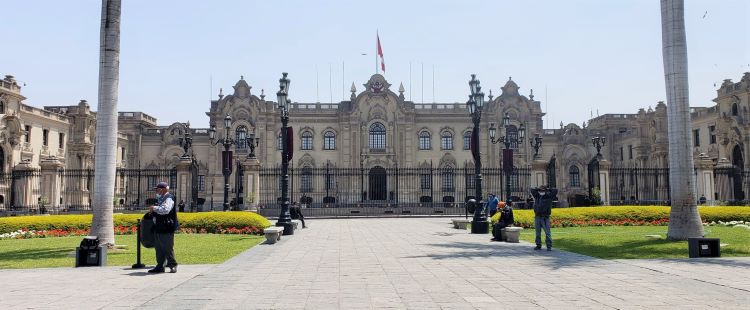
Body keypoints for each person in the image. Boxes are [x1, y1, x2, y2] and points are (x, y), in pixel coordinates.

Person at [148, 181, 179, 273]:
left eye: (158, 189)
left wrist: (154, 208)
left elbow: (165, 210)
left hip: (167, 226)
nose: (157, 191)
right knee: (159, 247)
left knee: (167, 247)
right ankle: (160, 265)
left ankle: (173, 265)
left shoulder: (169, 198)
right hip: (159, 226)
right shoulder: (161, 198)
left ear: (164, 189)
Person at [531, 184, 557, 251]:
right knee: (538, 233)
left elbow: (555, 190)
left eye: (543, 190)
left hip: (545, 217)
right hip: (537, 217)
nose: (541, 191)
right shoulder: (537, 196)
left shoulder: (549, 196)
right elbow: (532, 190)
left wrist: (547, 189)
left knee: (547, 233)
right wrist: (538, 189)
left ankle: (549, 246)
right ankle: (538, 245)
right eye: (541, 190)